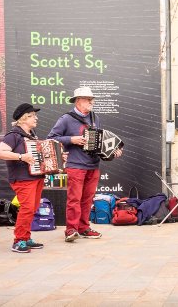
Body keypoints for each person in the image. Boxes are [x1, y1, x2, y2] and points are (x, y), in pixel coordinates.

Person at [48, 87, 123, 243]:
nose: (91, 102)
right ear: (78, 100)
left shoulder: (95, 118)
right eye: (88, 99)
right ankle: (71, 230)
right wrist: (71, 140)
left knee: (87, 199)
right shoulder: (66, 119)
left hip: (93, 165)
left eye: (92, 99)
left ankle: (83, 228)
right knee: (74, 199)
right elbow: (52, 138)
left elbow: (99, 142)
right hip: (75, 165)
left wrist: (112, 151)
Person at [0, 104, 45, 253]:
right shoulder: (13, 135)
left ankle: (26, 238)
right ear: (24, 118)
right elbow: (1, 152)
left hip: (35, 177)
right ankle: (18, 241)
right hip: (22, 178)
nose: (36, 118)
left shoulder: (32, 135)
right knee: (27, 208)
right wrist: (21, 157)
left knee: (32, 208)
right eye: (33, 115)